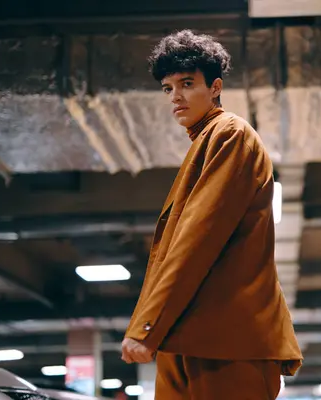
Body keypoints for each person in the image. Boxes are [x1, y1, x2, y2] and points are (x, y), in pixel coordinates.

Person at [120, 29, 303, 399]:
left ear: (215, 87)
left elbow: (197, 236)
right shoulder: (205, 142)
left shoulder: (230, 134)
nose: (176, 97)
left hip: (226, 340)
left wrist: (147, 325)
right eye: (168, 88)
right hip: (192, 334)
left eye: (187, 83)